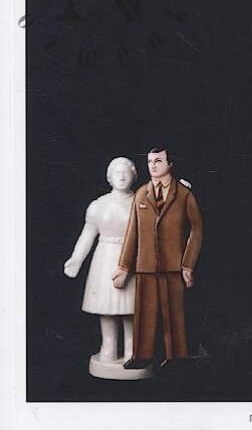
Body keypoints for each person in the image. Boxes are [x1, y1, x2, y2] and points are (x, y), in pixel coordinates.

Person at [112, 147, 203, 369]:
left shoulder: (184, 194)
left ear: (170, 164)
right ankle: (142, 355)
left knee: (175, 313)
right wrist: (124, 266)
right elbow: (132, 233)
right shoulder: (141, 194)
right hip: (146, 264)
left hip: (174, 264)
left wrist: (188, 264)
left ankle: (177, 357)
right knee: (145, 312)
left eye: (158, 161)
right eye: (150, 161)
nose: (153, 165)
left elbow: (197, 229)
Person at [64, 157, 137, 366]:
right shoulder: (98, 205)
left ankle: (132, 349)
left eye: (126, 172)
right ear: (109, 177)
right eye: (117, 173)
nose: (121, 176)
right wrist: (76, 258)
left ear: (133, 176)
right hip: (105, 257)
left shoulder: (141, 203)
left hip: (131, 257)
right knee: (106, 305)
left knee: (131, 307)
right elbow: (88, 234)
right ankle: (109, 346)